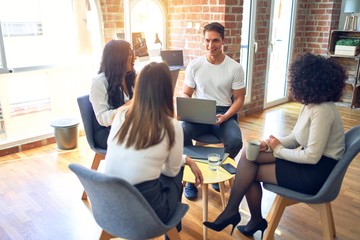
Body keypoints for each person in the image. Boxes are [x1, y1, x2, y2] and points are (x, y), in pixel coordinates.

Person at [203, 53, 346, 238]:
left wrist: (278, 149)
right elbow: (295, 137)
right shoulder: (311, 104)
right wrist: (269, 145)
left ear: (308, 81)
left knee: (250, 173)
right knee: (250, 153)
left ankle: (241, 215)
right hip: (309, 163)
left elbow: (312, 156)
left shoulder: (322, 110)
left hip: (315, 174)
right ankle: (235, 212)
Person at [104, 62, 203, 226]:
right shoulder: (171, 125)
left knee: (169, 165)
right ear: (166, 90)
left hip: (110, 206)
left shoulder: (120, 115)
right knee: (177, 169)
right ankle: (173, 228)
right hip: (146, 212)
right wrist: (183, 161)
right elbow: (171, 172)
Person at [182, 22, 246, 199]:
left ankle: (218, 174)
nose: (211, 46)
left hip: (224, 113)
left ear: (223, 40)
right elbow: (186, 93)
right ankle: (191, 179)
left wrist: (226, 116)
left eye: (216, 40)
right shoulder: (195, 66)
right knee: (180, 132)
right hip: (199, 112)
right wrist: (188, 106)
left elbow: (239, 98)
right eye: (207, 41)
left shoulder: (235, 68)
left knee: (235, 142)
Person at [89, 40, 136, 149]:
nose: (134, 57)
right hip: (106, 132)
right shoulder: (99, 82)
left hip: (128, 127)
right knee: (146, 139)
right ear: (118, 58)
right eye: (130, 54)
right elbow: (102, 118)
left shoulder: (131, 77)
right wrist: (131, 104)